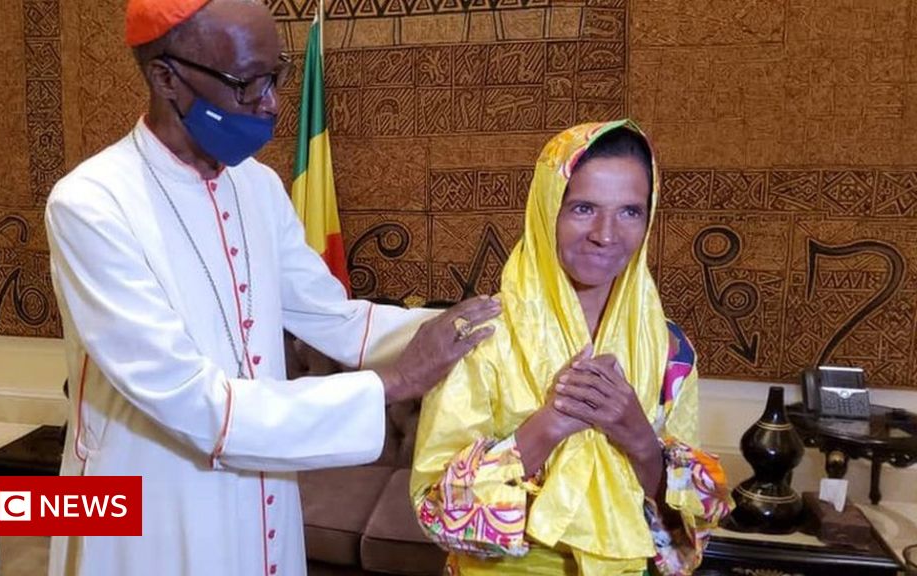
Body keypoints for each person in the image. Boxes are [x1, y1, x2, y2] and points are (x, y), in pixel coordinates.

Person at [44, 0, 500, 574]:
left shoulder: (257, 186)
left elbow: (333, 318)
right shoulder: (91, 205)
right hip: (158, 499)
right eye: (247, 83)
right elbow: (191, 399)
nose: (271, 103)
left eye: (275, 76)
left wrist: (472, 327)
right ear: (166, 78)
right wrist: (395, 382)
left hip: (264, 482)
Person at [410, 121, 734, 575]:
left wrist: (639, 438)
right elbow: (435, 510)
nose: (606, 234)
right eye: (584, 208)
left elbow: (692, 521)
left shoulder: (669, 349)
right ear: (548, 211)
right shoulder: (482, 337)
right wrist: (550, 425)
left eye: (630, 211)